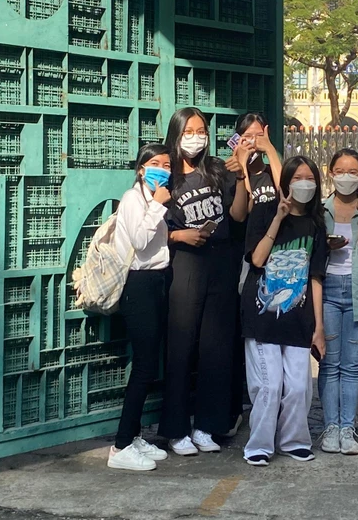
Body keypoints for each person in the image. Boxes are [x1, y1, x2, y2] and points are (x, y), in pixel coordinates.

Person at [160, 107, 251, 456]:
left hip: (221, 265)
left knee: (216, 348)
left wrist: (241, 176)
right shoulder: (166, 174)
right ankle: (176, 429)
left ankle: (207, 425)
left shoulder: (216, 169)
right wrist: (179, 236)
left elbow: (238, 215)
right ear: (176, 134)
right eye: (189, 132)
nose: (196, 138)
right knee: (181, 347)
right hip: (185, 265)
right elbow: (148, 227)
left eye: (201, 131)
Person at [242, 156, 328, 466]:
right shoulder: (265, 211)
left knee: (298, 386)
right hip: (262, 316)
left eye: (310, 178)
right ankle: (259, 445)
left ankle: (294, 440)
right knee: (269, 384)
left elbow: (316, 277)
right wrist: (278, 219)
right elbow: (257, 260)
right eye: (297, 178)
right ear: (286, 182)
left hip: (298, 318)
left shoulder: (317, 223)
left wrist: (319, 328)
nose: (304, 183)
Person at [108, 144, 174, 472]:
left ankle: (133, 436)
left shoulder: (153, 199)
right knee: (145, 366)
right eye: (155, 163)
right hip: (138, 284)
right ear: (141, 169)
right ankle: (121, 445)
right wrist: (159, 206)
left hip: (158, 281)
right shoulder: (133, 199)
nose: (162, 169)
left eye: (167, 164)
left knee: (149, 363)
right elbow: (139, 241)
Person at [319, 149, 358, 456]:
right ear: (331, 173)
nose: (346, 177)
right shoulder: (320, 210)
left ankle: (348, 427)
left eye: (353, 172)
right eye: (340, 171)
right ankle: (330, 427)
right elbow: (310, 251)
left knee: (353, 366)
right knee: (329, 364)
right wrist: (326, 246)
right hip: (327, 291)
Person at [224, 113, 283, 437]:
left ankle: (277, 408)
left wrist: (270, 149)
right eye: (246, 136)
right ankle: (243, 407)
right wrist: (242, 169)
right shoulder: (235, 170)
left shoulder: (274, 165)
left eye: (258, 134)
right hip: (249, 261)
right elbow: (240, 213)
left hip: (281, 260)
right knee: (250, 337)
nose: (252, 141)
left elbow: (286, 192)